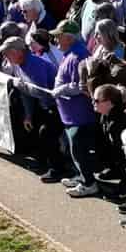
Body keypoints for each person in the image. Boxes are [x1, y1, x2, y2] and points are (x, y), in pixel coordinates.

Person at [51, 22, 104, 198]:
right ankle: (81, 177)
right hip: (70, 115)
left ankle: (89, 183)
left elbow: (82, 86)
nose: (56, 38)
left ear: (69, 36)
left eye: (59, 35)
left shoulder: (79, 55)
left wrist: (62, 89)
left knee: (79, 150)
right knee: (74, 149)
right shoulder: (70, 54)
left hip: (80, 116)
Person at [0, 35, 63, 181]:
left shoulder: (36, 64)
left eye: (7, 52)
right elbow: (25, 91)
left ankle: (57, 169)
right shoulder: (17, 65)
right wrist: (28, 115)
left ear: (18, 52)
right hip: (40, 103)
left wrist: (20, 86)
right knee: (34, 130)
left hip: (56, 104)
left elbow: (41, 91)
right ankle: (44, 162)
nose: (5, 56)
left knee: (46, 133)